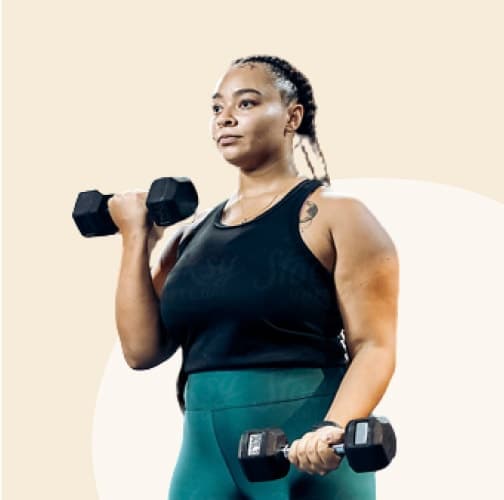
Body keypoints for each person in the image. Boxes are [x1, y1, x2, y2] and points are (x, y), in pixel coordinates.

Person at [107, 55, 399, 500]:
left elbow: (375, 346)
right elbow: (142, 351)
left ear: (291, 116)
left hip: (306, 451)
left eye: (246, 104)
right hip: (204, 456)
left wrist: (333, 428)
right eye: (217, 108)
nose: (225, 118)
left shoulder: (336, 217)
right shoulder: (189, 237)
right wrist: (134, 237)